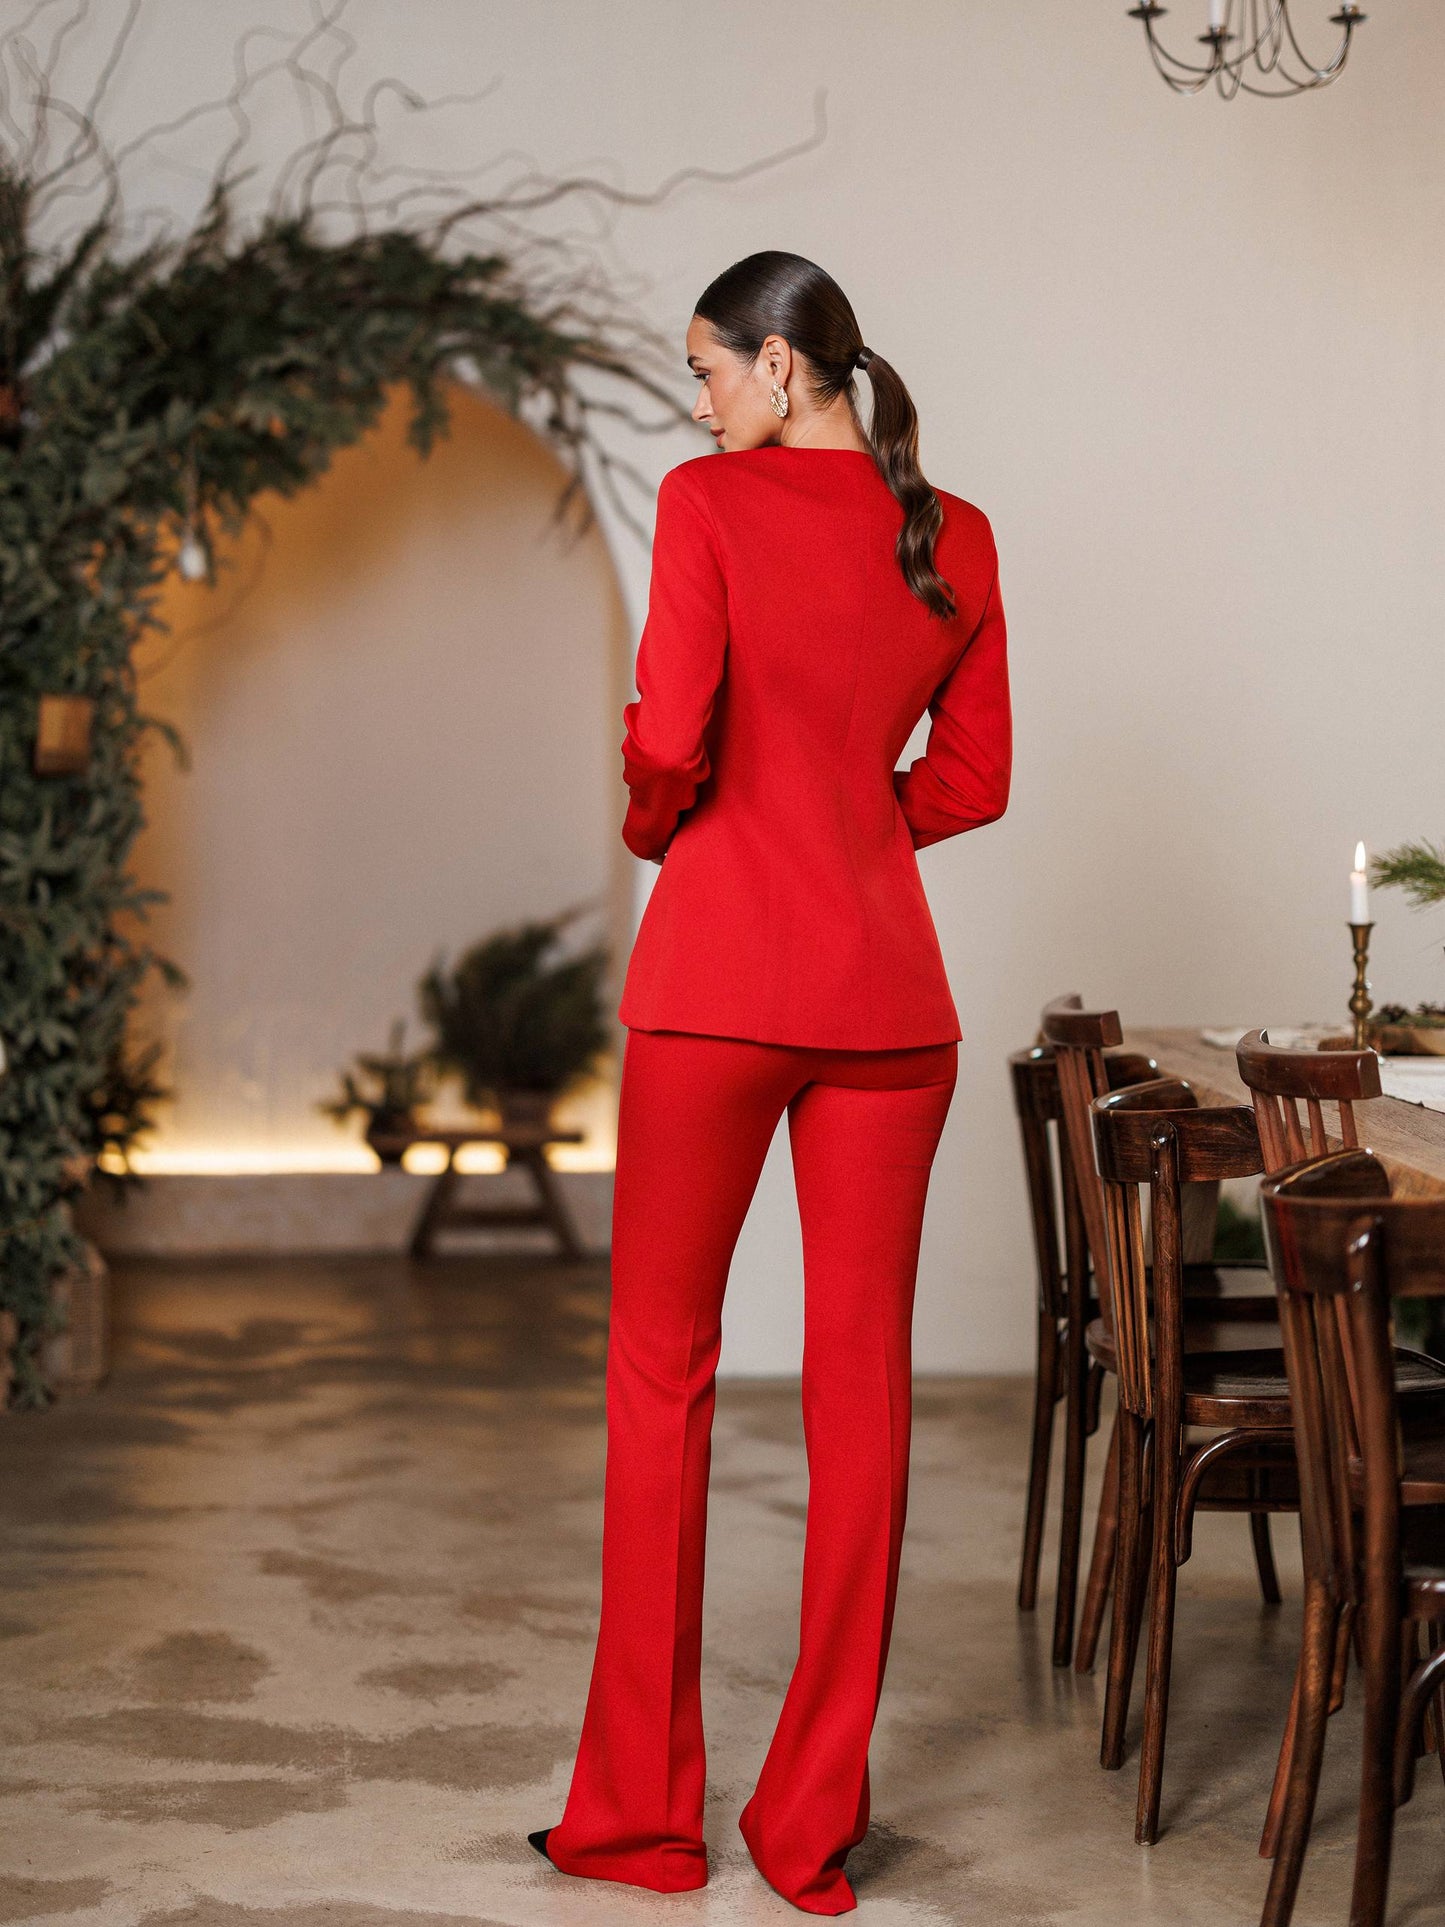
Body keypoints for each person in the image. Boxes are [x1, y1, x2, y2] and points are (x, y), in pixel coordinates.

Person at [527, 249, 1011, 1917]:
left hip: (721, 987)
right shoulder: (952, 534)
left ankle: (639, 1824)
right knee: (859, 1393)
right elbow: (976, 776)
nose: (698, 398)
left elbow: (667, 737)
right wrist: (861, 828)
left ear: (786, 368)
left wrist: (670, 823)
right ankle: (804, 1832)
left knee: (661, 1376)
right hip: (890, 1006)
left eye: (710, 368)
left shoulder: (711, 505)